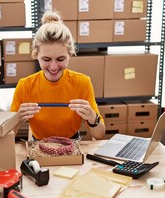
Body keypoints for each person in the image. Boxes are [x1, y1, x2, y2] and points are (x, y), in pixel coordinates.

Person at [10, 11, 105, 140]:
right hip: (38, 148)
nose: (53, 67)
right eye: (46, 59)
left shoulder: (82, 82)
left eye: (60, 59)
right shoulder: (25, 86)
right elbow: (8, 137)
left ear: (70, 54)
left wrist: (92, 117)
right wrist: (17, 120)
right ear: (35, 55)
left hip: (72, 146)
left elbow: (99, 135)